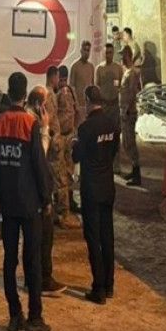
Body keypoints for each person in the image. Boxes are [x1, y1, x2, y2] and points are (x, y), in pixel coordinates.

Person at [0, 72, 53, 331]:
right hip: (30, 204)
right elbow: (39, 165)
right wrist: (46, 198)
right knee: (32, 260)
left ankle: (14, 315)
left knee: (9, 260)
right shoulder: (30, 124)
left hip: (8, 203)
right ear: (25, 95)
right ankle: (35, 318)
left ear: (8, 92)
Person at [73, 85, 118, 303]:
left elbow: (76, 157)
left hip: (91, 188)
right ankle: (109, 284)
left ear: (88, 101)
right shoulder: (112, 124)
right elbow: (113, 152)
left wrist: (75, 144)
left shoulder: (86, 128)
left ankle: (98, 287)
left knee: (93, 237)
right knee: (107, 235)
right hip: (108, 186)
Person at [28, 85, 64, 294]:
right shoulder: (34, 124)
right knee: (44, 235)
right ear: (38, 105)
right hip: (37, 190)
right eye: (47, 104)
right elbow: (39, 158)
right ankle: (43, 279)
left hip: (30, 189)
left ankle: (33, 278)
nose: (50, 108)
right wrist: (45, 130)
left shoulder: (27, 120)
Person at [54, 65, 80, 225]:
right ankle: (66, 203)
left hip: (64, 136)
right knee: (66, 171)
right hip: (67, 135)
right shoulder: (69, 91)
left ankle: (65, 204)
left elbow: (71, 113)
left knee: (64, 172)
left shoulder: (62, 93)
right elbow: (76, 112)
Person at [119, 46, 143, 186]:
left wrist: (126, 110)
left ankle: (137, 175)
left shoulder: (132, 73)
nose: (121, 58)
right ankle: (134, 170)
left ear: (127, 55)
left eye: (122, 55)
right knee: (126, 143)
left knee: (130, 143)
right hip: (125, 112)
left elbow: (132, 92)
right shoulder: (127, 72)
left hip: (129, 113)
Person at [96, 43, 124, 147]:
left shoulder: (118, 68)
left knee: (115, 130)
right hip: (104, 105)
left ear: (113, 53)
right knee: (103, 131)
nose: (108, 55)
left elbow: (121, 85)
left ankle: (115, 152)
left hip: (115, 105)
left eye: (110, 52)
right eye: (106, 53)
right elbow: (97, 86)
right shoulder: (99, 69)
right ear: (103, 54)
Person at [69, 40, 95, 125]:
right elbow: (71, 87)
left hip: (89, 106)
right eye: (85, 50)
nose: (86, 53)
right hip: (78, 106)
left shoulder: (91, 67)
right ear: (81, 51)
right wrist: (75, 105)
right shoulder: (75, 66)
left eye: (88, 50)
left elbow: (92, 85)